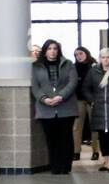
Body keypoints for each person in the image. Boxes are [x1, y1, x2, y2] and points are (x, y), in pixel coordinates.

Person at [31, 40, 79, 175]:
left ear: (59, 51)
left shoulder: (68, 64)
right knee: (51, 139)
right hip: (45, 108)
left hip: (66, 107)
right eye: (49, 49)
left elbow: (72, 82)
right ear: (45, 51)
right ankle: (55, 166)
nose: (52, 51)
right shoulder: (35, 66)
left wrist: (60, 96)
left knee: (65, 138)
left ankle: (65, 166)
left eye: (55, 48)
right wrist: (44, 99)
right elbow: (35, 86)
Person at [71, 46, 100, 162]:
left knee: (94, 126)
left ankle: (95, 151)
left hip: (92, 99)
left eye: (81, 54)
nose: (79, 56)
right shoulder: (73, 68)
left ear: (86, 53)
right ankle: (76, 151)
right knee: (77, 127)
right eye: (76, 55)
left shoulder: (94, 67)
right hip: (78, 99)